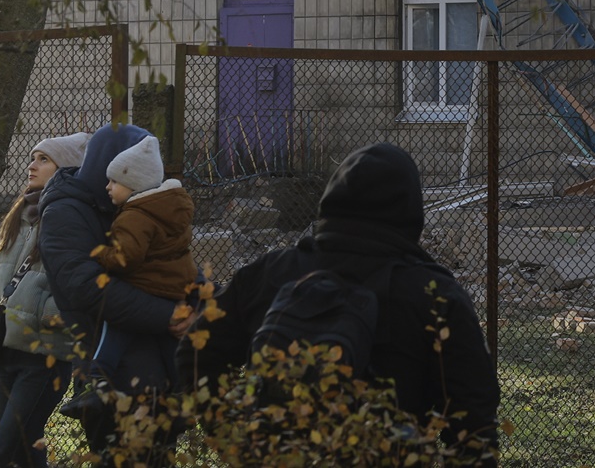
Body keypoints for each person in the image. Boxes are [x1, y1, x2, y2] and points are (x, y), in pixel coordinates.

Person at [180, 143, 499, 459]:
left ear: (332, 198)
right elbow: (474, 420)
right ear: (410, 208)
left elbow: (195, 356)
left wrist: (233, 441)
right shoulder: (434, 295)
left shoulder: (270, 274)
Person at [39, 123, 191, 459]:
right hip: (109, 363)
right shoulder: (66, 213)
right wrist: (169, 315)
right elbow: (86, 288)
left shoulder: (131, 208)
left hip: (153, 365)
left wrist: (211, 301)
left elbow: (167, 263)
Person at [0, 132, 88, 468]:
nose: (31, 165)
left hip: (43, 358)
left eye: (43, 159)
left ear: (65, 169)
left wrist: (40, 313)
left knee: (1, 450)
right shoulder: (18, 216)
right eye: (32, 157)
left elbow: (76, 290)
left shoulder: (71, 219)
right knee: (26, 450)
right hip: (4, 355)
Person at [63, 135, 195, 416]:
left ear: (133, 183)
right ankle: (183, 390)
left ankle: (96, 380)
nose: (107, 186)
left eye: (114, 181)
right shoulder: (171, 207)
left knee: (114, 328)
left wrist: (101, 254)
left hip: (148, 284)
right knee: (170, 343)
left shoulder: (134, 215)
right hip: (173, 285)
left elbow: (127, 257)